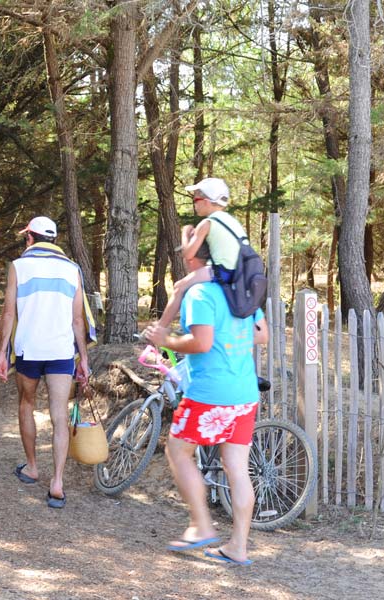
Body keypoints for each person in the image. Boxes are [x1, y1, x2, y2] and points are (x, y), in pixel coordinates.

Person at [141, 248, 268, 566]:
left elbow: (201, 343)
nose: (182, 254)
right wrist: (230, 338)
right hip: (244, 391)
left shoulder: (199, 293)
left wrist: (167, 340)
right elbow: (262, 334)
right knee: (237, 468)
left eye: (186, 249)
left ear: (194, 258)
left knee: (176, 451)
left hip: (210, 393)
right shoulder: (238, 288)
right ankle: (238, 546)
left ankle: (201, 525)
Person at [0, 216, 92, 509]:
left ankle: (33, 467)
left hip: (29, 350)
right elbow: (78, 319)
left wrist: (1, 352)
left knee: (27, 403)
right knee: (59, 413)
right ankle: (58, 482)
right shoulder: (71, 269)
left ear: (30, 238)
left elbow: (8, 313)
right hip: (61, 350)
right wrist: (84, 358)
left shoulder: (18, 266)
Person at [150, 177, 248, 335]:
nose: (194, 203)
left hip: (222, 270)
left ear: (208, 200)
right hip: (240, 272)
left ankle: (159, 328)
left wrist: (184, 232)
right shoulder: (233, 222)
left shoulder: (207, 223)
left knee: (179, 287)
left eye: (196, 198)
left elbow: (188, 254)